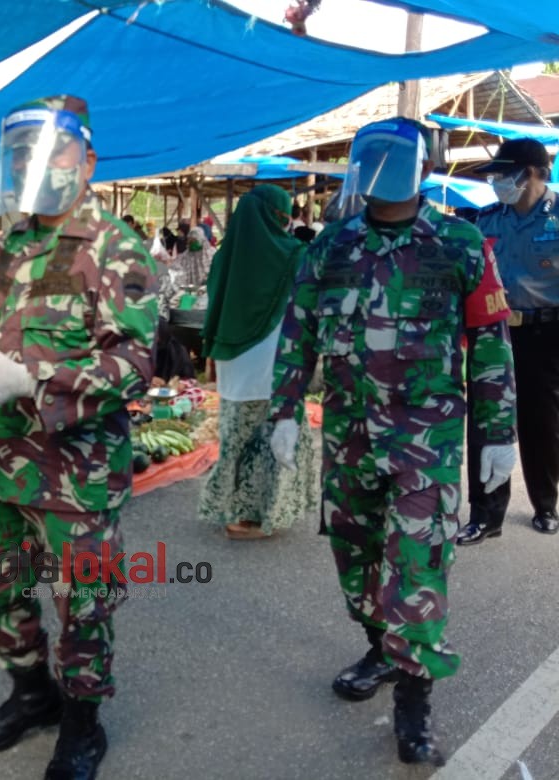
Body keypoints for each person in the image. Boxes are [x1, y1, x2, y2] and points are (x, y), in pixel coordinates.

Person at [268, 118, 516, 765]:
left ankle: (413, 691)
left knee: (416, 564)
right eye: (369, 159)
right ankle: (382, 644)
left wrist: (498, 433)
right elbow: (299, 328)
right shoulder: (334, 245)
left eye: (390, 159)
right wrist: (285, 409)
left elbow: (490, 341)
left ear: (419, 168)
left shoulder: (459, 243)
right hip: (349, 436)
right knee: (355, 564)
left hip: (424, 442)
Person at [0, 95, 158, 780]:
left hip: (79, 473)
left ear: (86, 162)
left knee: (82, 602)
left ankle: (84, 724)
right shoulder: (11, 243)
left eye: (55, 152)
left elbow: (135, 362)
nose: (38, 165)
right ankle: (33, 692)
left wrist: (31, 380)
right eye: (25, 154)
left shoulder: (115, 247)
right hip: (5, 464)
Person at [198, 184, 318, 539]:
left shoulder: (225, 255)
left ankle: (232, 508)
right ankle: (255, 516)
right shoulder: (293, 254)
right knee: (273, 435)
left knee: (236, 435)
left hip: (233, 360)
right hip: (274, 360)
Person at [459, 138, 559, 543]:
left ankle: (546, 505)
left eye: (506, 174)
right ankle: (485, 515)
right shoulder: (486, 221)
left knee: (542, 422)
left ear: (535, 172)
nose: (499, 182)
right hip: (492, 332)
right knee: (487, 420)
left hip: (547, 332)